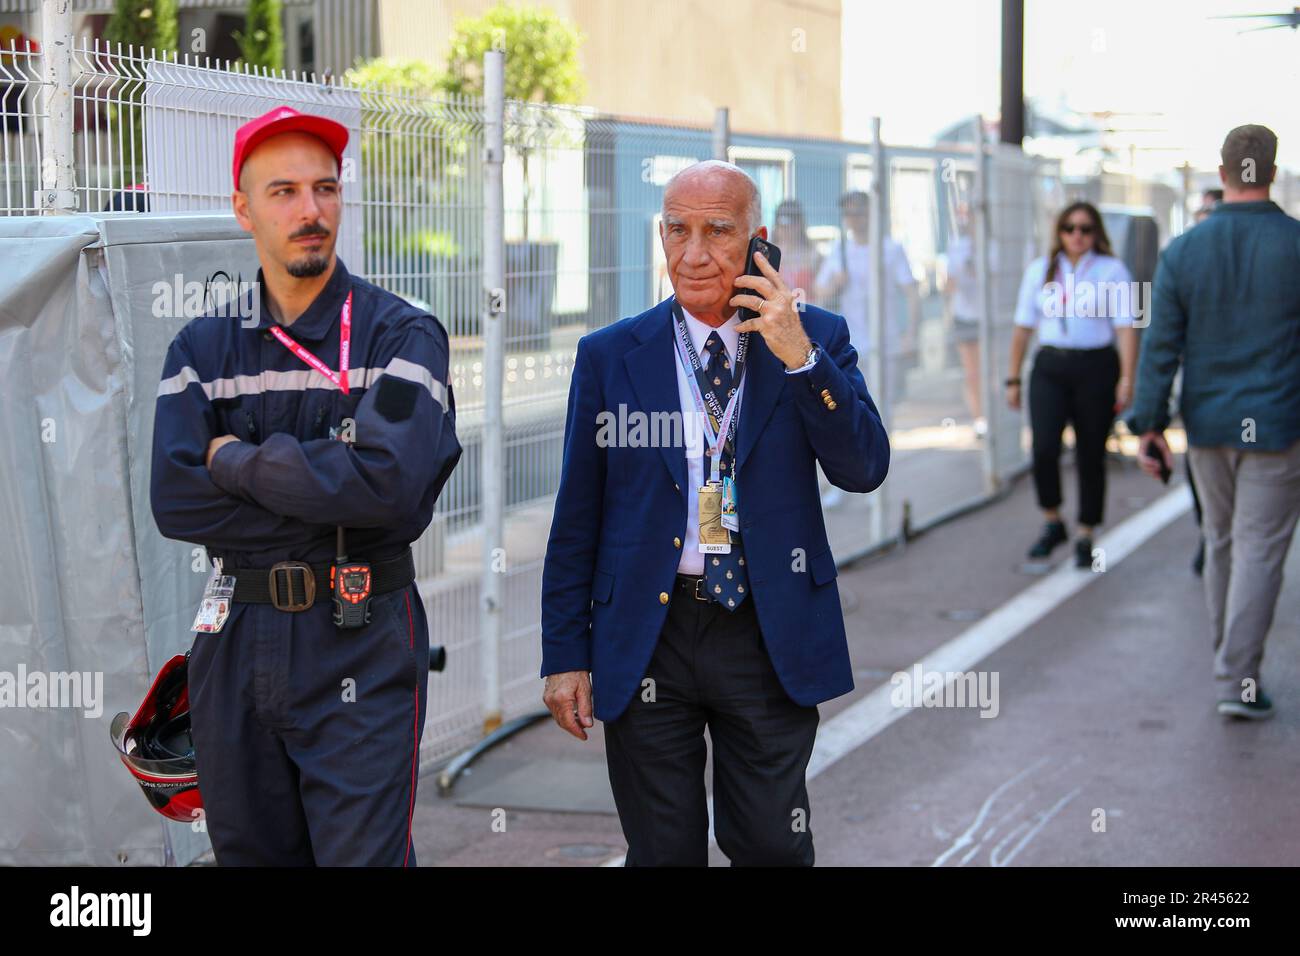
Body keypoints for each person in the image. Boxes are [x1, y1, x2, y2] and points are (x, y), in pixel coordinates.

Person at [539, 160, 889, 866]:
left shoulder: (815, 335)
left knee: (770, 843)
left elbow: (864, 467)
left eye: (718, 232)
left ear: (759, 242)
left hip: (766, 630)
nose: (693, 253)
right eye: (677, 230)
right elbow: (579, 510)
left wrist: (801, 360)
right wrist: (564, 653)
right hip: (649, 630)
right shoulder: (610, 355)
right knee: (662, 851)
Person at [149, 106, 463, 864]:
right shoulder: (201, 346)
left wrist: (235, 463)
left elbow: (390, 489)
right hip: (235, 642)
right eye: (283, 191)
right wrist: (330, 487)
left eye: (324, 189)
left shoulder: (402, 335)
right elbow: (174, 500)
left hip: (358, 636)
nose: (310, 211)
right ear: (243, 208)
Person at [1129, 124, 1300, 721]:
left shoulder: (1185, 250)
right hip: (1278, 425)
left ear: (1222, 174)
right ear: (1271, 172)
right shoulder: (1295, 243)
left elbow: (1160, 346)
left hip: (1208, 423)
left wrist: (1148, 425)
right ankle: (1237, 676)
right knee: (1259, 549)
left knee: (1222, 541)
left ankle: (1230, 664)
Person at [1005, 201, 1138, 568]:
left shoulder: (1113, 270)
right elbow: (1022, 328)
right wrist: (1013, 376)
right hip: (1050, 365)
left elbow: (1127, 327)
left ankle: (1086, 530)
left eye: (1084, 229)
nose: (1077, 236)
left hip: (1096, 366)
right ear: (1059, 232)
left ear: (1096, 233)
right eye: (1069, 229)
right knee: (1044, 447)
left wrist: (1127, 378)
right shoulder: (1040, 271)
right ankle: (1053, 519)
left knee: (1090, 452)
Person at [814, 190, 921, 414]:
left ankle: (883, 447)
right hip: (851, 343)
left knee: (883, 407)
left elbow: (911, 291)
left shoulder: (890, 248)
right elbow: (819, 290)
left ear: (870, 214)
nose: (853, 218)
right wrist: (836, 282)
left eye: (858, 212)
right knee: (853, 404)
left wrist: (911, 333)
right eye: (849, 213)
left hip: (886, 341)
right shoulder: (840, 250)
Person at [943, 201, 986, 435]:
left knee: (987, 370)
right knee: (972, 372)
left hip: (986, 318)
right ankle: (979, 418)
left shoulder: (992, 246)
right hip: (963, 315)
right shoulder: (957, 247)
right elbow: (948, 285)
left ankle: (990, 412)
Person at [771, 198, 821, 301]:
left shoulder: (813, 255)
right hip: (776, 314)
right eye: (782, 225)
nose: (786, 229)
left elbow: (820, 292)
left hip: (806, 313)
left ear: (800, 225)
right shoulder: (769, 254)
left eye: (791, 224)